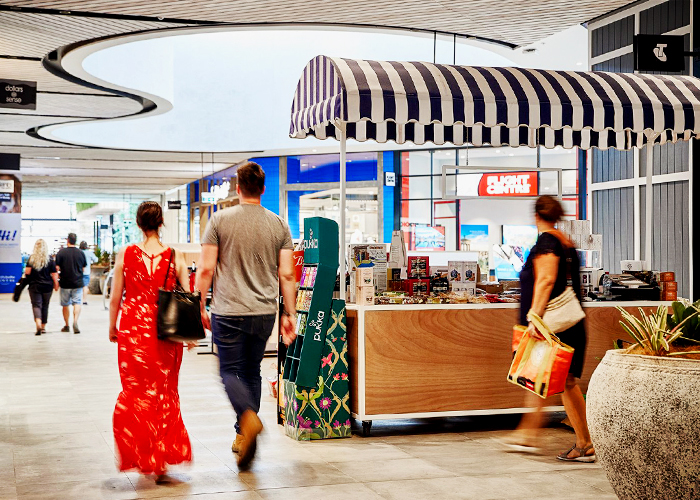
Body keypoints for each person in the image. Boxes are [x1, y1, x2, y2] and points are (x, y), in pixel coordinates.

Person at [196, 161, 297, 469]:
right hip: (264, 311)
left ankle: (248, 420)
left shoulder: (219, 220)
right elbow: (288, 274)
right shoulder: (279, 224)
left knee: (228, 372)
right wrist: (289, 312)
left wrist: (199, 305)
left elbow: (206, 268)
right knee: (252, 371)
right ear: (263, 189)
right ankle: (243, 435)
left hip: (228, 310)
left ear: (237, 188)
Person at [505, 195, 595, 463]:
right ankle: (576, 443)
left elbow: (545, 281)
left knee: (559, 381)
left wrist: (534, 318)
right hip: (570, 324)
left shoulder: (547, 243)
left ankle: (584, 444)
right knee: (559, 382)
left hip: (554, 327)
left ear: (536, 217)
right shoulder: (567, 244)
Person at [109, 201, 193, 480]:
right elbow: (187, 295)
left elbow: (116, 297)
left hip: (133, 330)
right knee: (164, 391)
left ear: (138, 223)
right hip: (166, 332)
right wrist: (190, 333)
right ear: (161, 223)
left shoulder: (126, 253)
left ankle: (144, 455)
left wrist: (112, 326)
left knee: (137, 392)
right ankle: (161, 461)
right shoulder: (175, 255)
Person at [24, 239, 59, 335]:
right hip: (47, 286)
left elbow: (27, 272)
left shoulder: (31, 259)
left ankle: (38, 323)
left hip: (34, 286)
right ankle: (43, 327)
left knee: (36, 305)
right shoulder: (50, 259)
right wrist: (56, 285)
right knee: (45, 305)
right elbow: (54, 274)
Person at [55, 233, 87, 334]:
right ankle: (75, 321)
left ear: (67, 240)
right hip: (77, 282)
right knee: (77, 302)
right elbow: (83, 268)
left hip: (65, 283)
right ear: (75, 241)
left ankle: (67, 325)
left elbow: (57, 268)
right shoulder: (81, 253)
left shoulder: (61, 252)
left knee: (65, 304)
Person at [79, 241, 98, 305]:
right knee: (85, 286)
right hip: (86, 272)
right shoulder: (89, 253)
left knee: (78, 286)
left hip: (78, 272)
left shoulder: (78, 252)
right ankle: (84, 300)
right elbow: (96, 260)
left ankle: (77, 299)